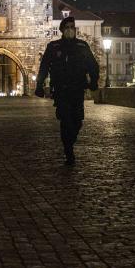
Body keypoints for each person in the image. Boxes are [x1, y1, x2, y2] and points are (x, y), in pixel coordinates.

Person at [35, 16, 100, 165]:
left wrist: (94, 81)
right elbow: (44, 67)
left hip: (77, 89)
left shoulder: (82, 46)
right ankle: (69, 151)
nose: (71, 30)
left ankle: (69, 143)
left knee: (77, 121)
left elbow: (93, 65)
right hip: (61, 90)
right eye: (68, 27)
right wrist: (39, 86)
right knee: (66, 121)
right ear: (62, 30)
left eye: (72, 27)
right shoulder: (54, 47)